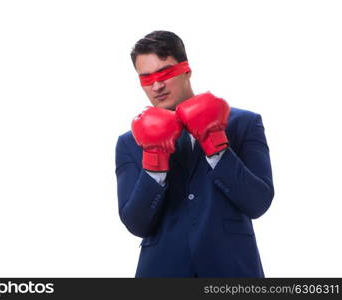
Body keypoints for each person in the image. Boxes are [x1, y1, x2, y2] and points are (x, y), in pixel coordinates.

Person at [115, 30, 274, 277]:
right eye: (146, 78)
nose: (156, 86)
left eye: (165, 73)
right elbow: (136, 223)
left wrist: (217, 146)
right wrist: (154, 162)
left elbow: (258, 203)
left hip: (232, 269)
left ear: (187, 70)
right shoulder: (129, 142)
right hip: (162, 271)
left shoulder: (243, 123)